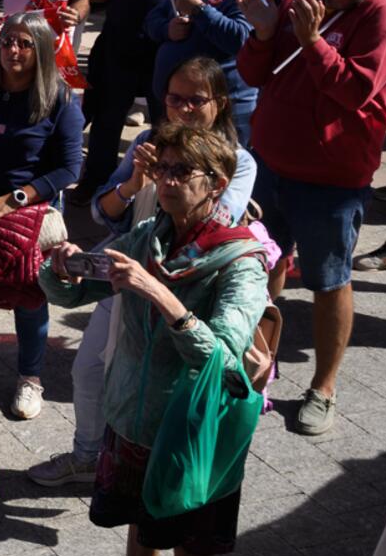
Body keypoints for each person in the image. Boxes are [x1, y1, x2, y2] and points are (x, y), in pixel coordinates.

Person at [44, 124, 268, 556]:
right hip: (135, 416)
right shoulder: (151, 232)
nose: (164, 182)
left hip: (197, 429)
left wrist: (159, 293)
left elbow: (220, 358)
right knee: (145, 516)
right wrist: (64, 267)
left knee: (194, 538)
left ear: (216, 185)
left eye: (180, 173)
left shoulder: (242, 261)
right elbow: (75, 295)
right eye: (161, 169)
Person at [31, 57, 261, 487]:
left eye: (196, 100)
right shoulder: (145, 158)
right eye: (175, 98)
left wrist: (155, 284)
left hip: (188, 301)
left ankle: (157, 463)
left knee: (167, 390)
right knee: (91, 369)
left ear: (221, 103)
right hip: (130, 276)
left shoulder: (237, 167)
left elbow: (214, 228)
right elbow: (102, 215)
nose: (184, 109)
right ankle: (90, 457)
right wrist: (64, 265)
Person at [237, 0, 386, 436]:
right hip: (270, 165)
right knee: (258, 267)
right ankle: (256, 363)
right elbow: (253, 74)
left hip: (331, 178)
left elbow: (354, 90)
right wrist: (265, 32)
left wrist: (313, 42)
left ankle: (324, 387)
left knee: (328, 282)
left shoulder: (383, 18)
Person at [0, 12, 85, 421]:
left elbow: (69, 170)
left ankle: (30, 378)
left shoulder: (60, 99)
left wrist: (16, 199)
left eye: (25, 44)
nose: (13, 50)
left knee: (30, 295)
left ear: (41, 50)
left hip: (32, 211)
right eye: (8, 40)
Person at [145, 0, 265, 146]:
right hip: (178, 106)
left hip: (221, 112)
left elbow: (241, 41)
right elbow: (152, 20)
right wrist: (168, 29)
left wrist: (199, 10)